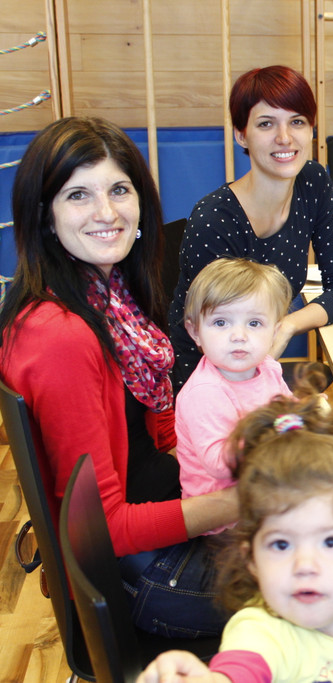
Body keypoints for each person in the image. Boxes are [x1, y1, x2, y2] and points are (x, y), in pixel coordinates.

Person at [0, 116, 235, 637]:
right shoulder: (60, 335)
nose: (106, 213)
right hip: (136, 573)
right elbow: (101, 530)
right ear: (45, 216)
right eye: (78, 195)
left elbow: (155, 432)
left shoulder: (112, 300)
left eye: (119, 190)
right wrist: (242, 500)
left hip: (157, 525)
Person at [137, 395, 333, 682]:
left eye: (330, 542)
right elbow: (237, 672)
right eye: (281, 544)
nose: (304, 565)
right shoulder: (263, 635)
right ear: (252, 560)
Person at [169, 64, 333, 391]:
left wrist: (288, 325)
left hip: (259, 366)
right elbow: (221, 344)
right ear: (241, 134)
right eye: (266, 124)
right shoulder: (214, 220)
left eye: (297, 122)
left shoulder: (312, 181)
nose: (284, 138)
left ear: (311, 130)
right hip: (207, 385)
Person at [176, 257, 294, 511]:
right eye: (221, 322)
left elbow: (288, 411)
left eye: (254, 323)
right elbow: (220, 465)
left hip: (266, 486)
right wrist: (279, 430)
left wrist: (307, 413)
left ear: (274, 332)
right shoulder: (204, 392)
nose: (239, 336)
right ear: (195, 332)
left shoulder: (268, 368)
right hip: (223, 513)